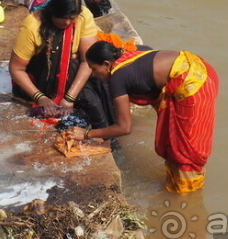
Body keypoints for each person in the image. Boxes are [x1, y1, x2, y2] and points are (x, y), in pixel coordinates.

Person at [83, 41, 219, 194]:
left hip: (193, 85)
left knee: (185, 148)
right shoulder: (124, 55)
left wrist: (86, 134)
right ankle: (174, 184)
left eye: (94, 69)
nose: (93, 74)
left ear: (107, 64)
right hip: (199, 67)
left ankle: (187, 196)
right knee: (172, 139)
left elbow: (124, 127)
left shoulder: (117, 78)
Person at [9, 0, 114, 128]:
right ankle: (106, 134)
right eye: (63, 17)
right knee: (89, 98)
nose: (67, 22)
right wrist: (40, 97)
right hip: (41, 76)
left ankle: (110, 131)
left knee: (103, 83)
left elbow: (88, 61)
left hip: (73, 70)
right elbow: (16, 68)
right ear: (52, 11)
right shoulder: (32, 25)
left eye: (72, 18)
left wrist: (70, 98)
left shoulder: (84, 16)